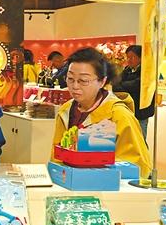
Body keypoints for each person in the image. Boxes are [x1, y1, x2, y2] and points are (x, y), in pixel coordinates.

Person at [51, 47, 151, 178]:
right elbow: (56, 157)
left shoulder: (118, 115)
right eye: (70, 79)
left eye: (83, 80)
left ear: (102, 81)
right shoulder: (66, 110)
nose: (75, 86)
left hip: (105, 186)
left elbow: (139, 167)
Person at [114, 45, 154, 139]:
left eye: (132, 57)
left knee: (140, 138)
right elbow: (115, 84)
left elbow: (137, 85)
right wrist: (125, 85)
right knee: (130, 138)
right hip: (129, 110)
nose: (129, 60)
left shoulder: (146, 71)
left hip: (141, 111)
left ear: (140, 58)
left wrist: (123, 85)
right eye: (127, 57)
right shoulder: (127, 70)